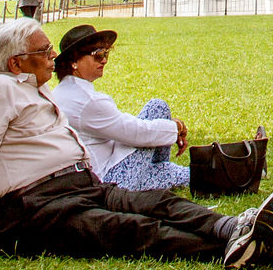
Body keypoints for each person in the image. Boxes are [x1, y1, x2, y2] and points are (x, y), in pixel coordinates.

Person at [0, 20, 273, 270]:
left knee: (157, 203)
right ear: (15, 63)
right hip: (35, 207)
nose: (50, 57)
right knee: (130, 230)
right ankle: (241, 246)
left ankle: (234, 228)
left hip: (78, 187)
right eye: (42, 51)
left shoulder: (37, 92)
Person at [51, 24, 192, 191]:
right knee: (157, 108)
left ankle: (164, 172)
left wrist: (170, 127)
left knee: (181, 172)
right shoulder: (86, 101)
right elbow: (135, 133)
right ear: (74, 61)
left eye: (106, 54)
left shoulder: (63, 92)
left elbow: (121, 127)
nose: (103, 60)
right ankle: (165, 170)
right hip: (112, 181)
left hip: (96, 174)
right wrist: (176, 127)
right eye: (97, 55)